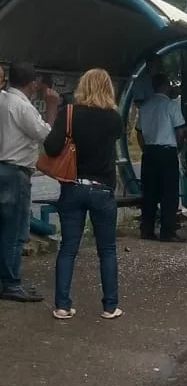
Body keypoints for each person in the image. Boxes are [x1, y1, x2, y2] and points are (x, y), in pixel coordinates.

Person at [44, 69, 124, 320]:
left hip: (74, 186)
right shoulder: (114, 118)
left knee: (68, 248)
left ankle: (62, 306)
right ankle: (110, 307)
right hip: (102, 190)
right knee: (107, 250)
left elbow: (50, 146)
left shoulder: (70, 113)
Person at [0, 62, 59, 302]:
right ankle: (11, 283)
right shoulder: (22, 107)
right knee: (14, 230)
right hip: (16, 171)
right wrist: (53, 108)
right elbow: (46, 135)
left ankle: (7, 280)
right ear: (33, 84)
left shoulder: (3, 100)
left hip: (3, 167)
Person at [135, 73, 186, 242]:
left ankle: (147, 230)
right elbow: (180, 131)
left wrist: (145, 149)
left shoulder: (145, 106)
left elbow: (139, 133)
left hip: (149, 153)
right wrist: (179, 147)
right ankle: (167, 231)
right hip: (167, 152)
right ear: (165, 86)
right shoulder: (171, 106)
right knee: (169, 194)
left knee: (149, 192)